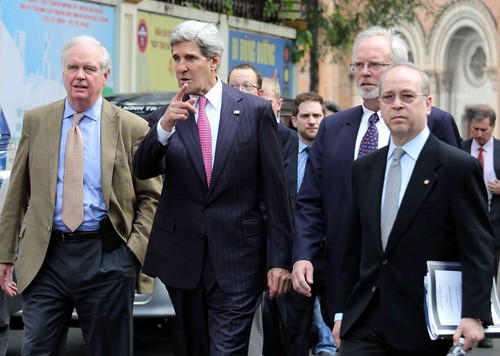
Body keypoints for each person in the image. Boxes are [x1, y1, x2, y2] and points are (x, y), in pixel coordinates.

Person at [133, 20, 293, 355]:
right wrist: (163, 129)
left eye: (189, 58)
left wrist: (280, 260)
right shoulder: (170, 115)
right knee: (195, 347)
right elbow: (143, 169)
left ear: (214, 61)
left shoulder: (254, 111)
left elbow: (275, 193)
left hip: (239, 258)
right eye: (176, 58)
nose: (181, 67)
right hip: (183, 258)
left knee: (226, 349)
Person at [0, 35, 162, 355]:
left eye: (89, 68)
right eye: (72, 67)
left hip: (105, 257)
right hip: (45, 257)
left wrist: (131, 255)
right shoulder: (37, 120)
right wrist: (6, 255)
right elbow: (18, 192)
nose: (80, 75)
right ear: (62, 73)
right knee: (36, 350)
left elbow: (152, 197)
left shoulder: (131, 127)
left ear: (105, 76)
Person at [291, 26, 463, 327]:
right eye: (359, 65)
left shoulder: (435, 123)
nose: (365, 72)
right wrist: (302, 255)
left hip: (413, 284)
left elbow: (457, 203)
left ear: (397, 68)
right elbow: (310, 201)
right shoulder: (333, 128)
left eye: (375, 65)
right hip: (345, 280)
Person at [329, 62, 495, 354]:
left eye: (407, 96)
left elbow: (477, 246)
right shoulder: (365, 168)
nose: (397, 105)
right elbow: (354, 248)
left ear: (428, 104)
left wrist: (473, 313)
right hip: (364, 320)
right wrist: (342, 312)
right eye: (389, 97)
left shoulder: (456, 167)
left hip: (422, 324)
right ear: (380, 105)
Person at [284, 92, 336, 356]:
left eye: (318, 115)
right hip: (294, 255)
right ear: (294, 121)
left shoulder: (337, 155)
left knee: (337, 324)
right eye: (305, 116)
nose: (312, 121)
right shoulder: (283, 155)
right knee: (296, 328)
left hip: (330, 255)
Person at [461, 104, 500, 349]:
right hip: (464, 224)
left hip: (494, 225)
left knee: (488, 274)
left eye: (484, 130)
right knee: (463, 273)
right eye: (475, 129)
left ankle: (483, 326)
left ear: (492, 127)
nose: (479, 134)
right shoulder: (461, 149)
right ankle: (461, 324)